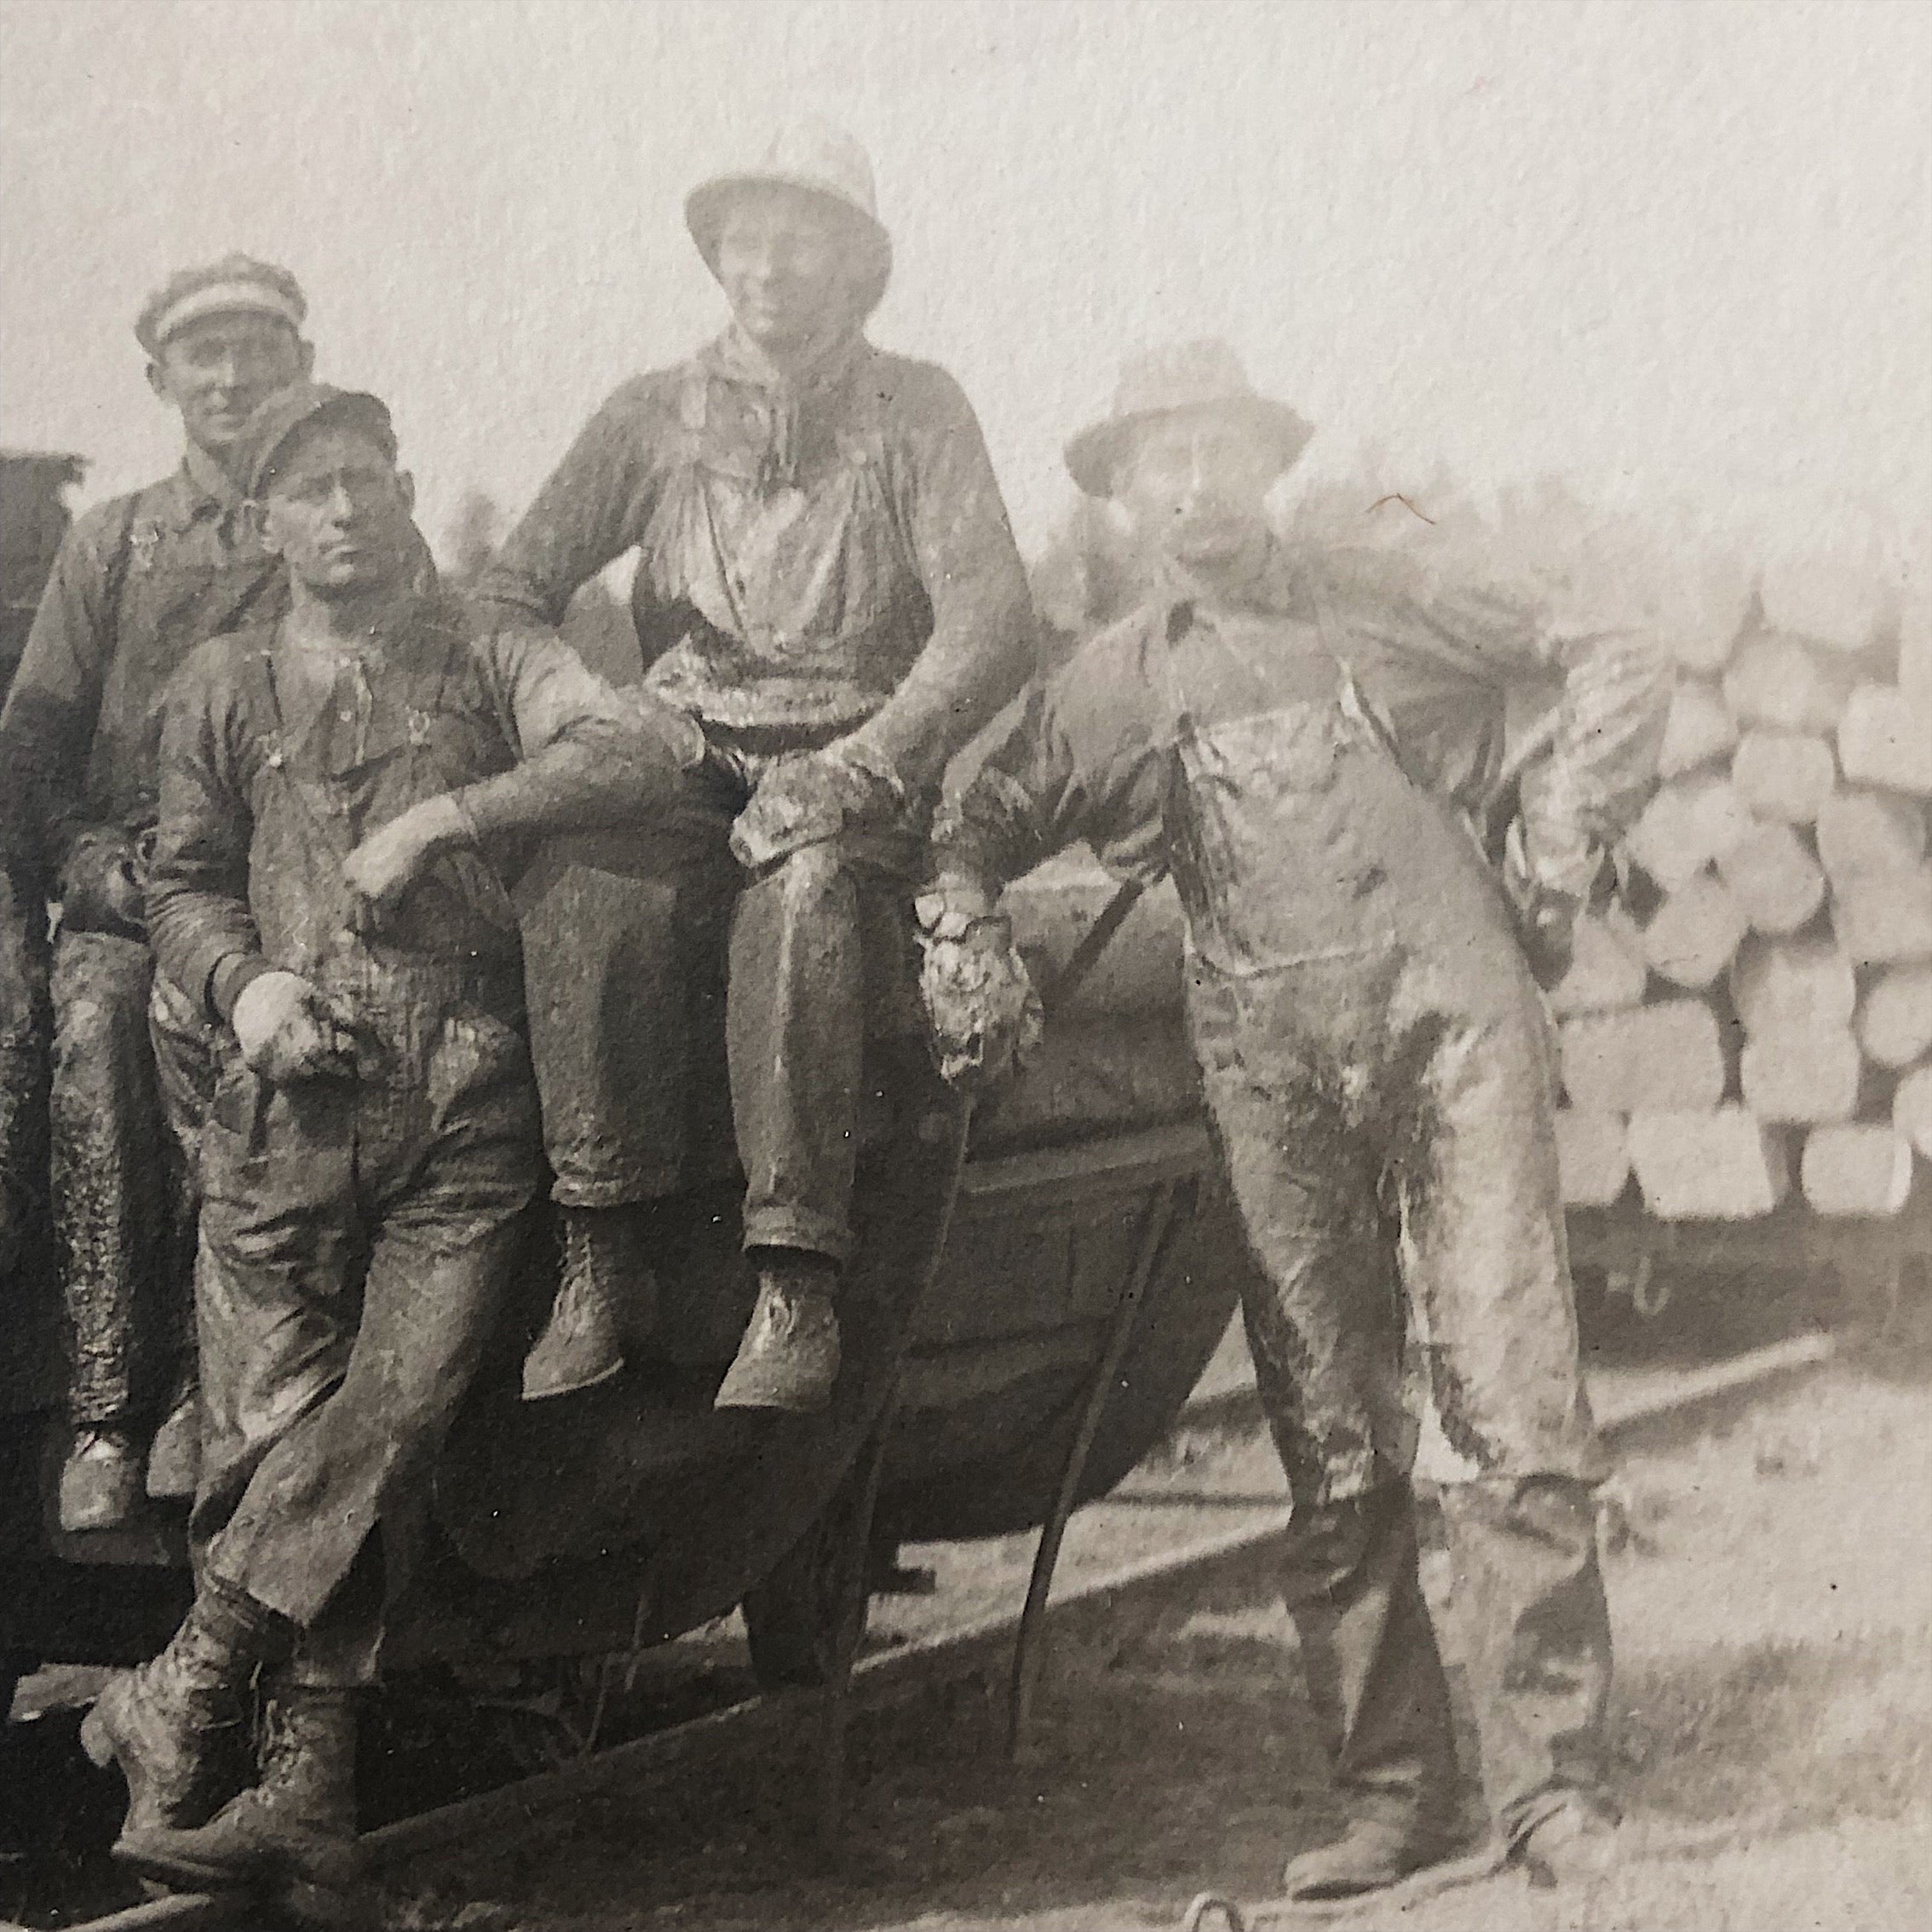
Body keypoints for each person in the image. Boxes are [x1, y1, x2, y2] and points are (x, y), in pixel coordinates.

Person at [923, 342, 1668, 1900]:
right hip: (1268, 1069)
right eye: (1157, 463)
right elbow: (978, 820)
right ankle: (1398, 1790)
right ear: (1123, 493)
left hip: (1451, 1027)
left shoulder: (1380, 586)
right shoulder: (1121, 676)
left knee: (1512, 1403)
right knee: (1331, 1435)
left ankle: (1552, 1794)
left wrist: (1551, 852)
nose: (1191, 488)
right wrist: (961, 928)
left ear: (1267, 463)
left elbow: (1614, 650)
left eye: (1217, 453)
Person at [80, 382, 701, 1908]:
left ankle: (188, 1676)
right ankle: (309, 1792)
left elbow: (632, 755)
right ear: (265, 521)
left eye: (364, 481)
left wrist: (450, 822)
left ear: (407, 486)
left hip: (470, 1105)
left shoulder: (493, 646)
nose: (342, 511)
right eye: (307, 493)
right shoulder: (220, 687)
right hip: (284, 1111)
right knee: (282, 1434)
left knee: (394, 1411)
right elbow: (179, 889)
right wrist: (250, 984)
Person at [477, 118, 1034, 1412]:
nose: (769, 267)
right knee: (581, 873)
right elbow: (507, 590)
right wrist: (577, 700)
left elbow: (994, 621)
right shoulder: (649, 415)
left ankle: (794, 1282)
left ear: (857, 266)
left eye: (802, 240)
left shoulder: (918, 408)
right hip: (681, 744)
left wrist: (869, 760)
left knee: (803, 901)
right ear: (713, 256)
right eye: (745, 241)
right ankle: (600, 1255)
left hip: (856, 760)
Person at [0, 256, 313, 1530]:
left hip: (281, 896)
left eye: (256, 352)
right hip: (135, 895)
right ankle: (106, 1410)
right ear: (161, 380)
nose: (232, 379)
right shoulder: (112, 539)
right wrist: (84, 865)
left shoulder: (331, 517)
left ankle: (213, 1392)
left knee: (269, 1072)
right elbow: (36, 744)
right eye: (205, 357)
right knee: (94, 1033)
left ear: (298, 364)